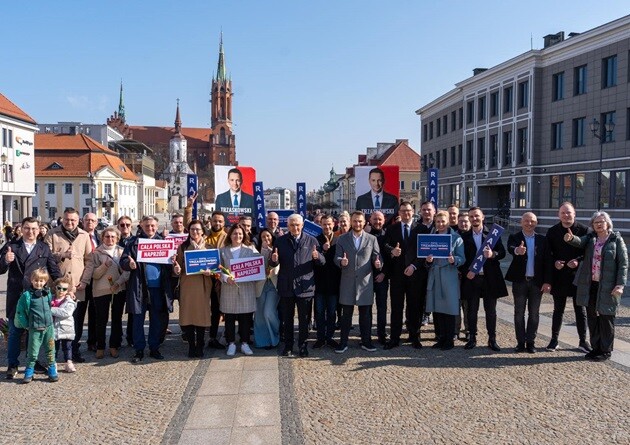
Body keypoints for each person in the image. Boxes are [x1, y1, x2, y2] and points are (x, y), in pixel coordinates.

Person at [1, 217, 61, 379]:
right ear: (21, 229)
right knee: (15, 332)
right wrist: (6, 261)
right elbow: (0, 269)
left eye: (34, 228)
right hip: (18, 296)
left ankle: (31, 363)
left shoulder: (43, 247)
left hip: (37, 297)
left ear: (38, 229)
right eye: (27, 228)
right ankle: (12, 364)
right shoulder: (11, 246)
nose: (31, 231)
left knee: (34, 333)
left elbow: (53, 269)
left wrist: (64, 287)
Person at [564, 211, 628, 361]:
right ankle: (595, 348)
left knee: (606, 318)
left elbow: (623, 264)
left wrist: (620, 284)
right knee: (592, 317)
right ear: (592, 225)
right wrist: (571, 238)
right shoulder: (591, 239)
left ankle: (605, 350)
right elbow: (579, 242)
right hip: (590, 284)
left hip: (608, 286)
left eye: (601, 221)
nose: (599, 224)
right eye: (596, 222)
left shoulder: (616, 239)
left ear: (607, 223)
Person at [120, 216, 175, 363]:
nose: (150, 228)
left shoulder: (164, 243)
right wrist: (128, 264)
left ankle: (154, 347)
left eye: (152, 226)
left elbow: (170, 267)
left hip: (158, 288)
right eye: (147, 226)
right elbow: (123, 261)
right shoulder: (133, 243)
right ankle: (139, 349)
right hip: (139, 288)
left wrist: (174, 263)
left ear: (157, 227)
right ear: (141, 226)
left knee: (156, 320)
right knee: (138, 320)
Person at [270, 213, 325, 357]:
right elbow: (273, 262)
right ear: (287, 226)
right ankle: (288, 346)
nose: (295, 227)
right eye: (292, 225)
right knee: (287, 319)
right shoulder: (280, 241)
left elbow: (322, 262)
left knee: (304, 320)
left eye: (297, 225)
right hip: (286, 286)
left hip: (305, 287)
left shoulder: (312, 240)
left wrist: (317, 257)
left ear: (302, 226)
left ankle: (303, 345)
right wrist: (274, 260)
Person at [44, 208, 92, 363]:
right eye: (67, 219)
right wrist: (62, 255)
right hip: (57, 287)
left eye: (73, 220)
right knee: (55, 320)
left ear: (78, 221)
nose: (69, 222)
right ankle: (52, 352)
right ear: (62, 219)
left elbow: (89, 261)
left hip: (78, 286)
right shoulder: (52, 234)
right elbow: (45, 256)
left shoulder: (84, 236)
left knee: (76, 320)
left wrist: (84, 281)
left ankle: (74, 351)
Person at [542, 202, 591, 352]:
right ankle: (554, 340)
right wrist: (555, 263)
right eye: (563, 213)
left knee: (580, 310)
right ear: (559, 215)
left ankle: (583, 341)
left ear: (574, 214)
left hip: (578, 277)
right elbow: (548, 255)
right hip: (559, 276)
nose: (566, 215)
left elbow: (589, 254)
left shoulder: (584, 230)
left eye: (569, 213)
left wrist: (578, 261)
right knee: (558, 310)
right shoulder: (552, 231)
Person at [460, 207, 508, 352]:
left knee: (491, 311)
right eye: (471, 217)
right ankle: (472, 338)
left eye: (476, 216)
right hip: (472, 278)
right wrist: (466, 271)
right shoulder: (463, 237)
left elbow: (502, 253)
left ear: (483, 217)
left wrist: (492, 254)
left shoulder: (492, 234)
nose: (474, 219)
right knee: (472, 310)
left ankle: (492, 339)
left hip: (490, 278)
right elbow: (461, 259)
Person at [77, 227, 129, 359]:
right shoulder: (95, 253)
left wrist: (118, 283)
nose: (110, 239)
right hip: (100, 290)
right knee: (101, 319)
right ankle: (100, 346)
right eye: (107, 236)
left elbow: (127, 272)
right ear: (102, 238)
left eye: (113, 237)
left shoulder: (122, 252)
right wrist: (104, 266)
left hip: (118, 289)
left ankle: (114, 345)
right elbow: (93, 274)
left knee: (116, 319)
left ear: (117, 238)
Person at [334, 211, 382, 353]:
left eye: (360, 221)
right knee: (346, 315)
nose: (357, 224)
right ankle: (343, 342)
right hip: (347, 281)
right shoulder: (342, 239)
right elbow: (336, 257)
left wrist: (378, 263)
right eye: (355, 221)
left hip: (365, 282)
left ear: (364, 222)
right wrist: (341, 262)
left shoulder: (372, 239)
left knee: (365, 315)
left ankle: (366, 341)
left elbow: (377, 257)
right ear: (351, 222)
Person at [420, 211, 465, 350]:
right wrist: (428, 261)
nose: (440, 224)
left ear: (448, 222)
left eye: (443, 221)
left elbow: (462, 258)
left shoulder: (456, 238)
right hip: (435, 274)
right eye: (438, 222)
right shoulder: (430, 237)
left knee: (449, 308)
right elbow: (424, 258)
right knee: (437, 308)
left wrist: (454, 260)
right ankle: (440, 337)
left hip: (449, 275)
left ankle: (449, 339)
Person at [505, 212, 549, 353]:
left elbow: (547, 261)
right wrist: (517, 250)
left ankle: (531, 342)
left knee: (534, 313)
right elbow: (510, 248)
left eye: (532, 221)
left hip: (537, 282)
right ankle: (520, 342)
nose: (529, 223)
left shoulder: (542, 239)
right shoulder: (515, 237)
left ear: (536, 223)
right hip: (520, 281)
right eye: (526, 221)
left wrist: (547, 281)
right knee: (519, 313)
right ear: (521, 222)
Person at [383, 202, 422, 349]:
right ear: (399, 212)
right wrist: (392, 250)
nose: (406, 213)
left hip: (414, 273)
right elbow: (385, 245)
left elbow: (424, 251)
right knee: (396, 307)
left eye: (409, 211)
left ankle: (414, 336)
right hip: (397, 275)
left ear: (413, 212)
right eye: (403, 211)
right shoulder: (392, 228)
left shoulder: (420, 228)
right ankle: (394, 338)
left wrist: (414, 266)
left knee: (414, 307)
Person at [173, 220, 214, 358]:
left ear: (203, 231)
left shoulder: (209, 247)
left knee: (201, 316)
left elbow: (216, 269)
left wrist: (211, 272)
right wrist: (177, 269)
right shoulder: (183, 247)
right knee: (188, 315)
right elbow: (177, 268)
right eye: (192, 229)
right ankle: (191, 345)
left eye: (197, 229)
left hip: (203, 285)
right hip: (188, 285)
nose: (195, 232)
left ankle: (200, 345)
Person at [219, 224, 260, 356]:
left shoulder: (251, 250)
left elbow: (258, 267)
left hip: (246, 288)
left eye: (240, 234)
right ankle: (231, 343)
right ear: (230, 235)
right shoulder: (223, 251)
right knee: (229, 318)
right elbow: (218, 270)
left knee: (246, 318)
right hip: (229, 288)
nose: (238, 236)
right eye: (235, 234)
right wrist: (225, 278)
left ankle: (245, 343)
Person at [14, 268, 58, 383]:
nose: (39, 283)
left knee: (50, 349)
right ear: (31, 280)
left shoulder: (47, 293)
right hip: (34, 328)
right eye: (36, 280)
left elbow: (49, 306)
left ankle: (52, 368)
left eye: (41, 281)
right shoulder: (27, 295)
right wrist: (26, 325)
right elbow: (20, 311)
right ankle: (30, 370)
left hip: (48, 327)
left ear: (45, 282)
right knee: (33, 352)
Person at [313, 214, 341, 349]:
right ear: (321, 225)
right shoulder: (315, 240)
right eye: (324, 224)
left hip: (334, 283)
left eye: (329, 224)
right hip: (319, 283)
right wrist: (321, 251)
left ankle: (329, 337)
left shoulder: (338, 240)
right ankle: (320, 337)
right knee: (319, 312)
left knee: (331, 312)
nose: (327, 226)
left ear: (333, 224)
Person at [253, 228, 280, 349]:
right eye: (263, 237)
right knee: (259, 315)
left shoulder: (277, 250)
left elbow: (276, 269)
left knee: (268, 312)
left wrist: (273, 256)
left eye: (268, 236)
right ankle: (262, 341)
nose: (266, 239)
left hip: (273, 285)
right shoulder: (255, 251)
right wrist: (263, 252)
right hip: (260, 285)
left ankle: (275, 337)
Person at [79, 212, 100, 353]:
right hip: (81, 280)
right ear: (82, 221)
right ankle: (75, 342)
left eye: (92, 220)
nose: (90, 223)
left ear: (96, 223)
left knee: (94, 313)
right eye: (87, 220)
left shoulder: (100, 237)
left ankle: (92, 341)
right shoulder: (78, 236)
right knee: (78, 314)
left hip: (97, 280)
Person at [369, 211, 389, 344]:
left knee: (382, 307)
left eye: (380, 219)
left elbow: (391, 258)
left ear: (384, 220)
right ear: (370, 220)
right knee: (367, 307)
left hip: (382, 276)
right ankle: (366, 333)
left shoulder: (388, 235)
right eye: (375, 219)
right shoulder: (366, 235)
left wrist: (384, 273)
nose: (377, 222)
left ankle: (381, 333)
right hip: (367, 277)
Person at [50, 276, 77, 373]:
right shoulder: (50, 299)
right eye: (59, 288)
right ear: (55, 288)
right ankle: (53, 363)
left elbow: (66, 313)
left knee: (67, 347)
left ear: (67, 290)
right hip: (53, 328)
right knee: (54, 347)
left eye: (64, 289)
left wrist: (50, 310)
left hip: (66, 328)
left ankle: (68, 362)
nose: (61, 290)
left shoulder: (69, 301)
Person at [117, 215, 134, 348]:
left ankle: (131, 337)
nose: (125, 227)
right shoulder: (114, 240)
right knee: (117, 312)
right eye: (122, 225)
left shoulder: (136, 241)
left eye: (127, 225)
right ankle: (117, 338)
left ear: (131, 226)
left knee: (133, 312)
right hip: (117, 282)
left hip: (132, 282)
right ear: (118, 227)